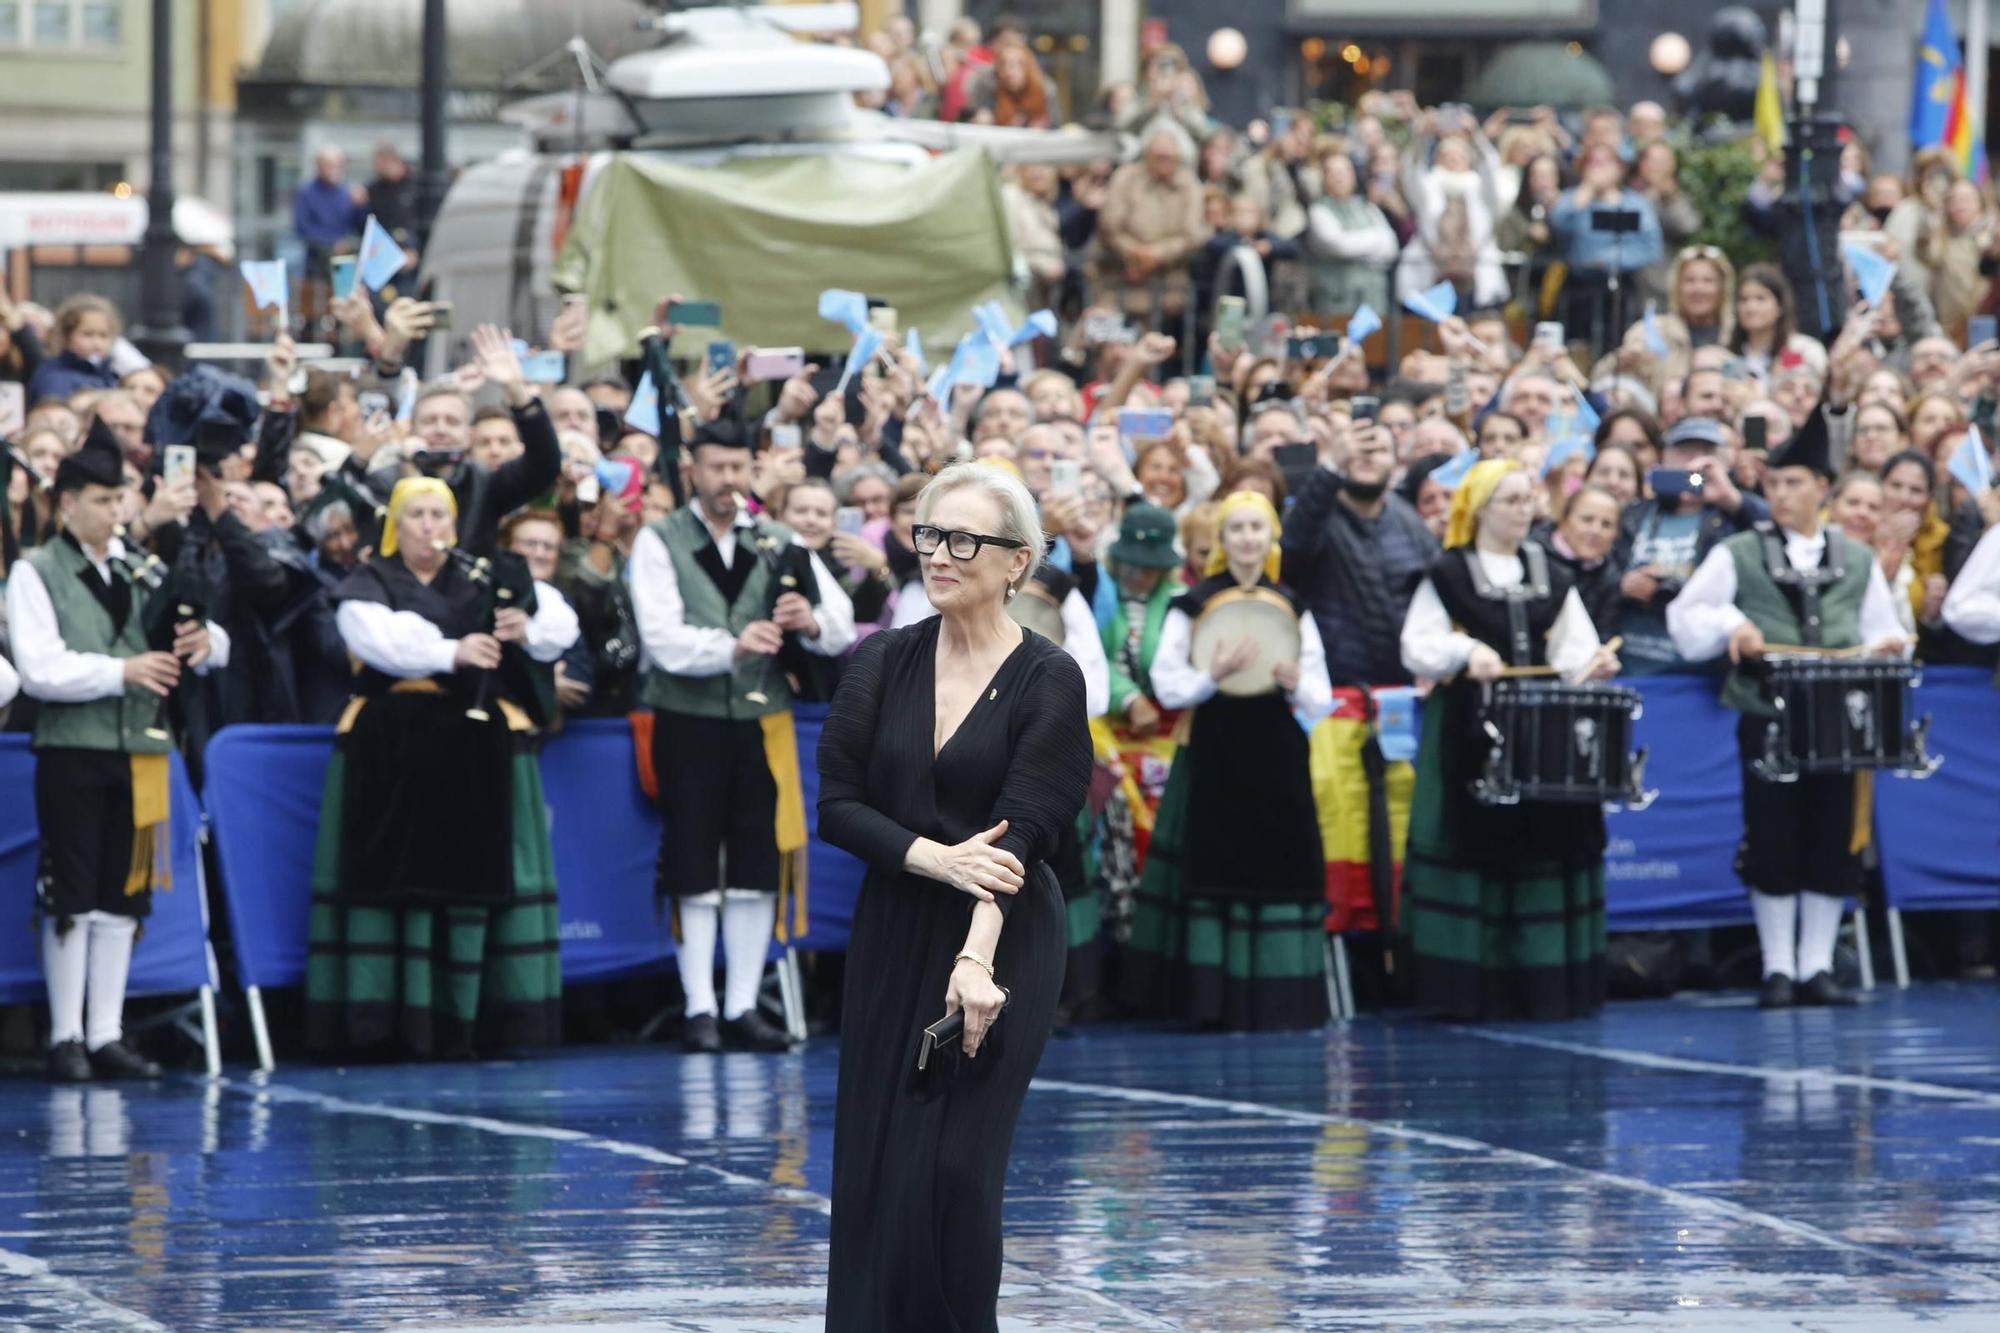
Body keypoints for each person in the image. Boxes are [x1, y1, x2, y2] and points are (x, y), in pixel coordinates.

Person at [818, 462, 1092, 1332]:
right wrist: (934, 859)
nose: (940, 554)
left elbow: (1022, 835)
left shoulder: (1051, 676)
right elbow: (837, 806)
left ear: (1018, 560)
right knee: (877, 1160)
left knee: (954, 1171)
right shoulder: (882, 658)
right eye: (929, 534)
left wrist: (976, 960)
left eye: (963, 538)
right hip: (896, 923)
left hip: (1002, 937)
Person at [305, 477, 577, 1058]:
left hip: (475, 748)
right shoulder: (369, 581)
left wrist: (524, 630)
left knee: (477, 877)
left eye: (438, 514)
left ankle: (481, 1020)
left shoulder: (484, 575)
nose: (429, 526)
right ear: (394, 525)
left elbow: (559, 621)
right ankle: (386, 1024)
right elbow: (380, 641)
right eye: (416, 515)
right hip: (392, 749)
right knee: (394, 878)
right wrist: (452, 652)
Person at [6, 426, 232, 1081]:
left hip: (141, 748)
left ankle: (106, 1032)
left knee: (124, 893)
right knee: (70, 892)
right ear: (66, 501)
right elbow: (40, 668)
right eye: (101, 499)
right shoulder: (36, 569)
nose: (114, 511)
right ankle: (65, 1034)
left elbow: (215, 640)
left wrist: (201, 642)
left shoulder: (140, 565)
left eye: (119, 499)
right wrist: (122, 670)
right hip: (73, 749)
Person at [629, 416, 856, 1054]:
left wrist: (809, 621)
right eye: (716, 467)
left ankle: (741, 1006)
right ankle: (699, 1006)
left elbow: (839, 621)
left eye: (737, 468)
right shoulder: (659, 539)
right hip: (686, 716)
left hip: (764, 719)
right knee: (693, 859)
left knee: (759, 861)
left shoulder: (778, 538)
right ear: (693, 470)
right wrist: (732, 645)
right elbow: (661, 637)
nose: (727, 480)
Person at [1666, 412, 1907, 1007]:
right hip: (1768, 716)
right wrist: (1732, 624)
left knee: (1830, 838)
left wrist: (1890, 645)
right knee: (1771, 834)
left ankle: (1815, 966)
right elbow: (1686, 618)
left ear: (1821, 487)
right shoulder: (1739, 552)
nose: (1779, 495)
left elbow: (1886, 629)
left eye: (1793, 483)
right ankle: (1777, 967)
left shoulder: (1856, 558)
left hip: (1839, 724)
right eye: (1772, 485)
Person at [1399, 459, 1620, 1021]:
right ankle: (1472, 990)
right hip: (1471, 730)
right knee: (1477, 845)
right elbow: (1416, 645)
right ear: (1479, 510)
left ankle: (1543, 986)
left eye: (1529, 501)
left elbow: (1573, 646)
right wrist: (1464, 653)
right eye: (1511, 501)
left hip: (1544, 731)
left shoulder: (1550, 571)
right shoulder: (1447, 573)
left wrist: (1589, 666)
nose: (1525, 512)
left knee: (1545, 846)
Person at [1123, 491, 1332, 1030]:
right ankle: (1211, 1001)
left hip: (1276, 753)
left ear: (1270, 539)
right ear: (1221, 540)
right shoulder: (1192, 604)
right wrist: (1212, 675)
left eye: (1256, 529)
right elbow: (1168, 686)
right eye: (1236, 528)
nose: (1246, 538)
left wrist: (1295, 680)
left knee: (1281, 866)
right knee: (1212, 866)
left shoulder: (1290, 603)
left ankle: (1279, 999)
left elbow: (1319, 695)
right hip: (1214, 749)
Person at [1280, 419, 1439, 943]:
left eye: (1379, 448)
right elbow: (1294, 549)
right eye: (1359, 449)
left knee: (1397, 838)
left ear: (1397, 461)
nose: (1368, 457)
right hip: (1335, 709)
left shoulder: (1411, 522)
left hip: (1403, 708)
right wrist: (1330, 468)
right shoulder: (1320, 514)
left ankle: (1400, 940)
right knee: (1341, 837)